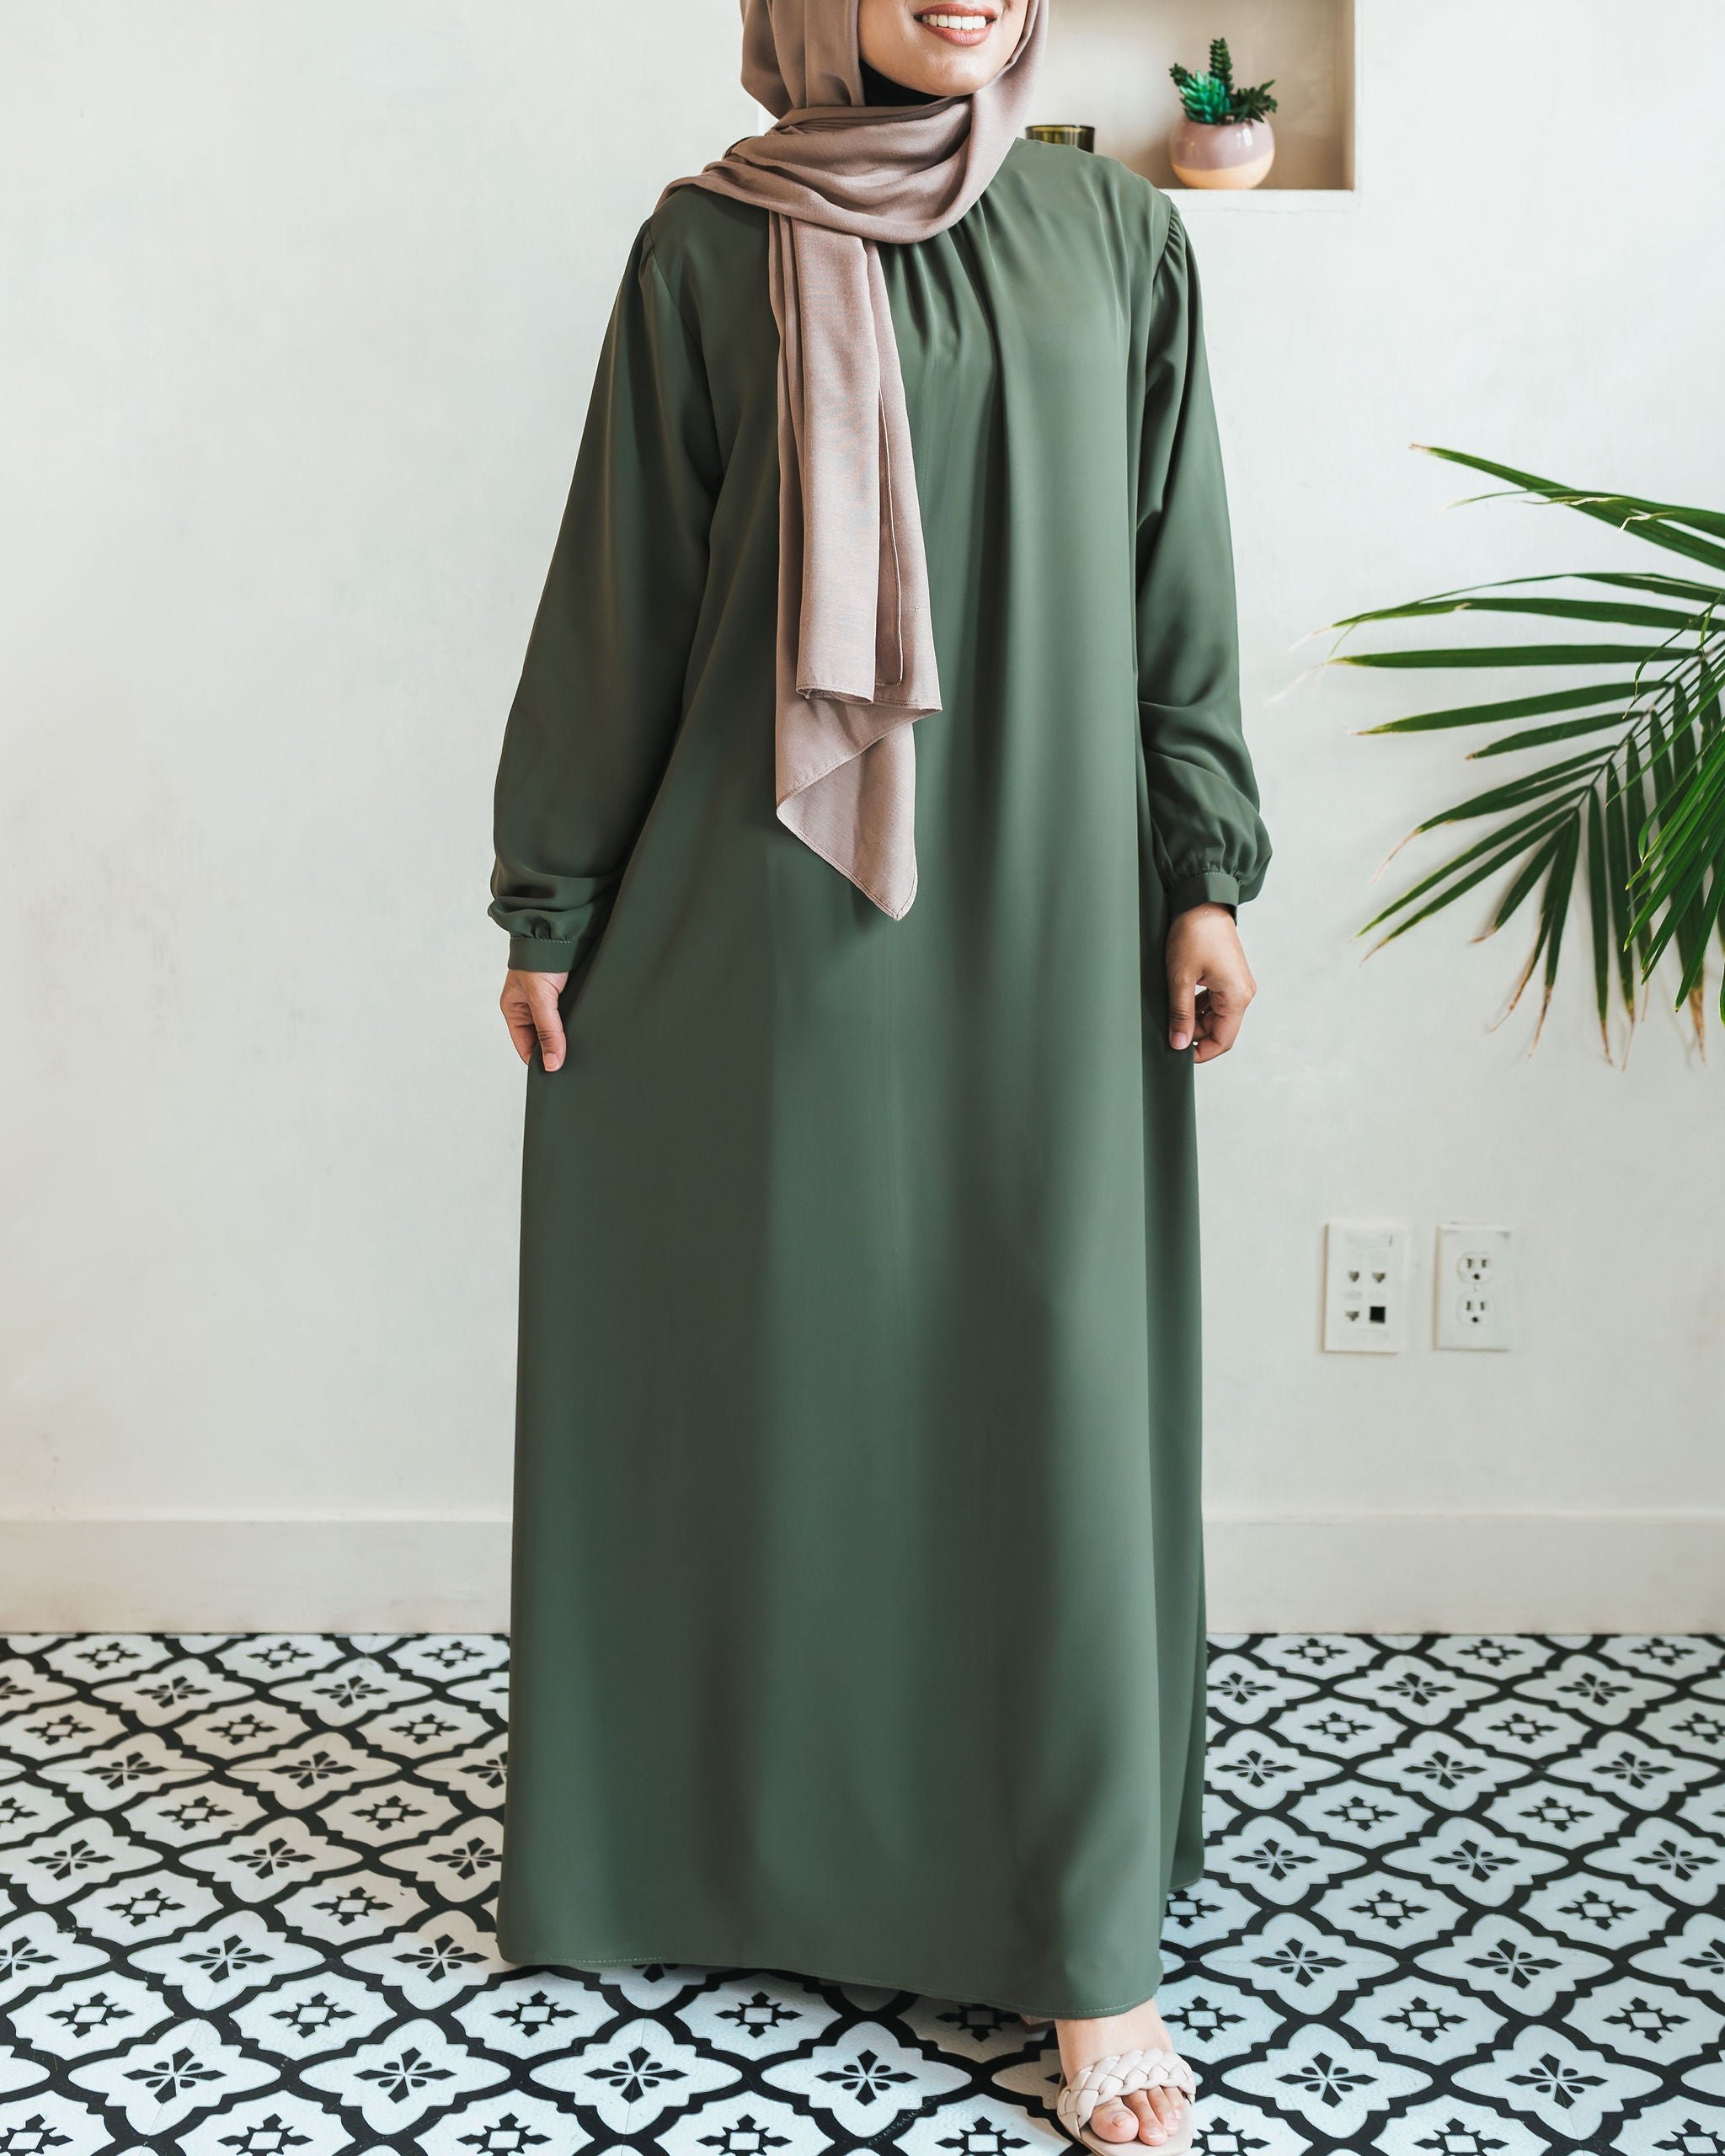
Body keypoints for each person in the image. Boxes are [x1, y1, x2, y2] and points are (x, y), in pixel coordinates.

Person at [487, 1, 1269, 2148]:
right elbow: (625, 601)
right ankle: (718, 1848)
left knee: (1045, 1381)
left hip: (1050, 912)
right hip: (758, 916)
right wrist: (550, 898)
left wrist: (1205, 868)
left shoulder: (1115, 239)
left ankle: (1085, 1943)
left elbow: (1176, 575)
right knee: (778, 1374)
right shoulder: (704, 249)